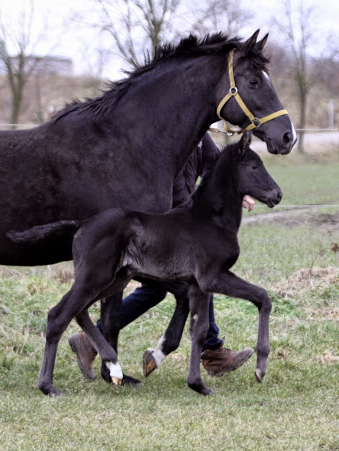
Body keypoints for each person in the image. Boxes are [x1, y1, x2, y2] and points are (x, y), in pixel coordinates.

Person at [68, 133, 255, 380]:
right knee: (200, 275)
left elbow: (215, 164)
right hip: (163, 225)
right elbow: (171, 184)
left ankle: (92, 340)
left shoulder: (200, 133)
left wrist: (237, 189)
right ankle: (211, 352)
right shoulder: (173, 127)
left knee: (163, 288)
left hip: (179, 220)